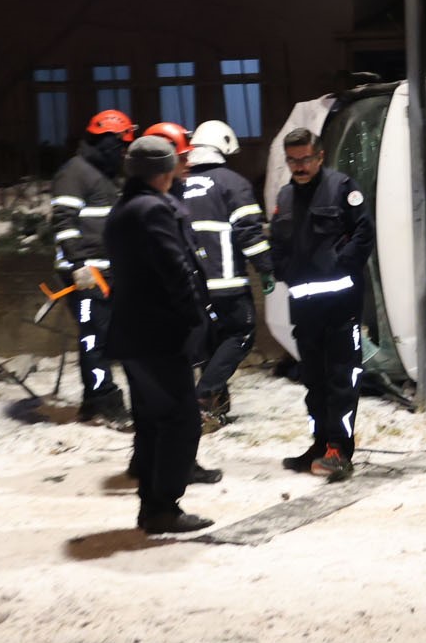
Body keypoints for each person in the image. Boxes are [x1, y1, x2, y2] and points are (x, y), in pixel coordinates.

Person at [103, 135, 217, 534]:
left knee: (153, 421)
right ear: (164, 171)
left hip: (134, 334)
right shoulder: (153, 210)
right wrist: (194, 318)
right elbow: (175, 269)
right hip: (158, 334)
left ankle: (152, 507)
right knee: (181, 420)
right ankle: (163, 507)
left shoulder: (123, 208)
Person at [269, 126, 375, 480]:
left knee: (341, 379)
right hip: (305, 307)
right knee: (313, 381)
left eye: (305, 159)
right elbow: (278, 244)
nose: (299, 166)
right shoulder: (285, 197)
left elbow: (364, 233)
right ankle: (319, 444)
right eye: (292, 160)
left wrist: (341, 262)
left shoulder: (342, 188)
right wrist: (283, 269)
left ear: (319, 156)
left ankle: (339, 450)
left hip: (340, 306)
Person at [178, 118, 272, 423]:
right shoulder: (232, 183)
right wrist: (266, 268)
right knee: (241, 335)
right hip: (226, 282)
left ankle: (215, 405)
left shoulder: (179, 185)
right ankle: (204, 396)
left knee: (211, 343)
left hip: (191, 286)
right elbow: (249, 232)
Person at [50, 109, 136, 428]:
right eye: (122, 145)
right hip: (85, 274)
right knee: (96, 340)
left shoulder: (101, 172)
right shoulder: (75, 173)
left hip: (104, 271)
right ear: (108, 141)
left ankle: (92, 402)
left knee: (97, 337)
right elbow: (63, 222)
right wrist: (78, 265)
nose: (124, 153)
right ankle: (107, 403)